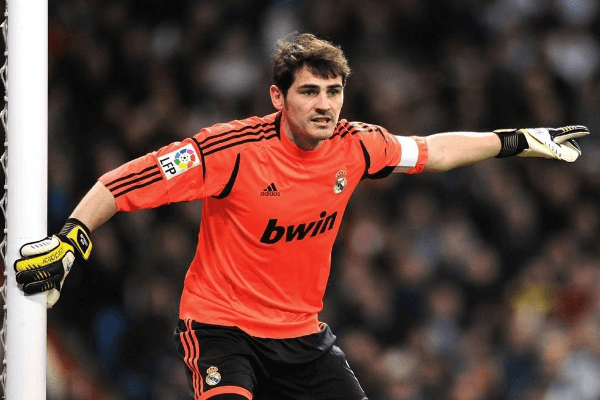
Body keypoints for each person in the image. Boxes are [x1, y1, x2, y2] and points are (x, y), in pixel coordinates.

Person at [14, 32, 589, 400]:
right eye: (310, 91)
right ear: (277, 97)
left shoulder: (356, 144)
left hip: (301, 334)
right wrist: (71, 237)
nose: (325, 105)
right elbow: (125, 181)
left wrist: (516, 140)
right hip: (221, 327)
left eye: (333, 92)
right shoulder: (230, 150)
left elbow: (432, 150)